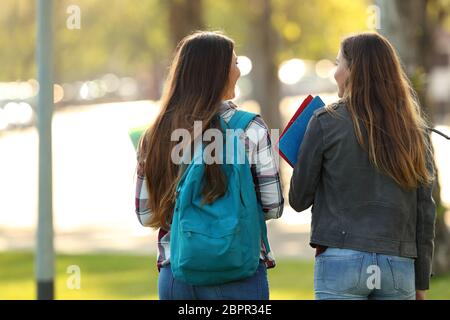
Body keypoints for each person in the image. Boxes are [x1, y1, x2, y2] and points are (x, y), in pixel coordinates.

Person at [134, 31, 284, 300]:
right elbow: (273, 206)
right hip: (238, 272)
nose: (239, 71)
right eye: (236, 64)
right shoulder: (250, 128)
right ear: (220, 73)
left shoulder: (155, 135)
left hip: (177, 275)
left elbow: (146, 215)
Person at [289, 32, 436, 300]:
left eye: (338, 64)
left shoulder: (324, 121)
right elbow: (425, 212)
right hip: (398, 265)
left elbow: (298, 200)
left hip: (340, 260)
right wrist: (421, 282)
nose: (335, 73)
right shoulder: (415, 131)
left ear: (352, 70)